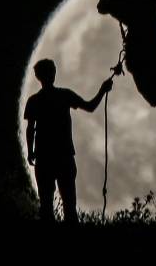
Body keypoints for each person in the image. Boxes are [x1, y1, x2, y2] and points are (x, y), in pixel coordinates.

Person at [24, 59, 113, 225]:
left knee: (46, 207)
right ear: (52, 74)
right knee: (69, 206)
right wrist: (102, 90)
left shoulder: (34, 100)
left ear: (38, 77)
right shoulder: (64, 95)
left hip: (44, 157)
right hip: (63, 156)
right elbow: (90, 106)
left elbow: (30, 128)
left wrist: (30, 152)